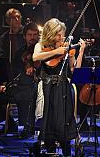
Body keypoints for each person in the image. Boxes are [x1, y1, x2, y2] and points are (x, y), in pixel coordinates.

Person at [33, 18, 86, 156]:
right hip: (47, 87)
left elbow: (75, 71)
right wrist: (57, 52)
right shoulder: (40, 45)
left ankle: (67, 153)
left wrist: (80, 52)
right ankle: (50, 152)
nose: (61, 37)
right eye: (58, 34)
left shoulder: (67, 48)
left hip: (63, 88)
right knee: (49, 121)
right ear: (50, 33)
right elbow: (35, 57)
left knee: (64, 121)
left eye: (62, 34)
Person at [11, 22, 40, 138]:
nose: (32, 37)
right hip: (20, 84)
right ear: (24, 36)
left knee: (25, 94)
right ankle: (10, 124)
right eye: (29, 35)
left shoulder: (40, 50)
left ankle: (28, 127)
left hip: (34, 84)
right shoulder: (19, 52)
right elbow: (15, 71)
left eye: (35, 35)